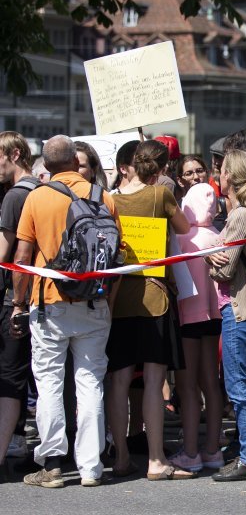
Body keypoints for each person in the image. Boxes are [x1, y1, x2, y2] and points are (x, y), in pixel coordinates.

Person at [12, 135, 121, 488]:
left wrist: (18, 303)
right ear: (76, 163)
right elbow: (116, 255)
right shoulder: (101, 196)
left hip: (49, 303)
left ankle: (53, 463)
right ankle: (91, 468)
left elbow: (22, 259)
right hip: (94, 302)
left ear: (46, 165)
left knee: (49, 383)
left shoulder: (37, 198)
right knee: (89, 383)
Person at [104, 139, 193, 481]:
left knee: (119, 381)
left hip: (119, 299)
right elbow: (184, 228)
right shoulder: (161, 195)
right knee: (155, 381)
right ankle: (157, 460)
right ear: (162, 166)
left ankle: (121, 457)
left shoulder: (109, 199)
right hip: (155, 296)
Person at [206, 150, 246, 482]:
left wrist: (207, 257)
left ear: (230, 176)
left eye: (221, 169)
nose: (218, 173)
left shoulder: (240, 215)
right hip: (243, 308)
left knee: (239, 386)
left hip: (240, 308)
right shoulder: (245, 213)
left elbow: (223, 270)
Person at [168, 182, 224, 473]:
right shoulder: (219, 235)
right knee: (211, 384)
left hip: (187, 318)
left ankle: (190, 451)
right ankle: (213, 449)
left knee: (188, 387)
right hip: (214, 317)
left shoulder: (183, 238)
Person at [0, 132, 37, 475]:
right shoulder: (41, 189)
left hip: (14, 296)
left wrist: (16, 302)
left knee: (9, 376)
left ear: (14, 154)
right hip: (36, 296)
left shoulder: (14, 196)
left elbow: (5, 253)